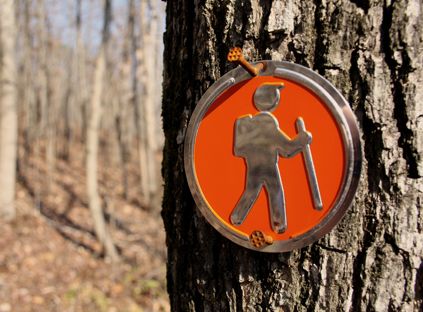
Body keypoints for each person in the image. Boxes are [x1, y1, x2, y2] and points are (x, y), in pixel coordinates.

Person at [231, 83, 312, 234]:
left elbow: (239, 150)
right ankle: (279, 224)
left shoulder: (247, 124)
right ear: (274, 101)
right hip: (268, 166)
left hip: (253, 165)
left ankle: (236, 217)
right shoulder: (268, 124)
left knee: (251, 191)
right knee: (275, 191)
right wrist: (302, 139)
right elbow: (287, 149)